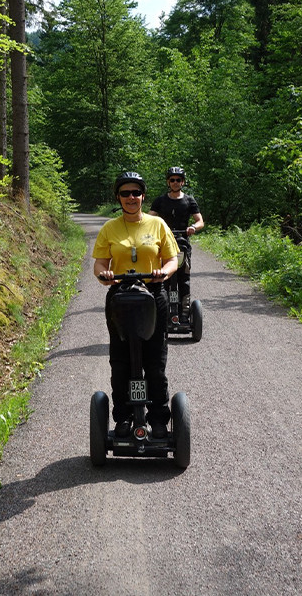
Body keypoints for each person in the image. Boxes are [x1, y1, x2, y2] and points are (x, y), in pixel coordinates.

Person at [92, 171, 179, 439]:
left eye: (136, 193)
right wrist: (104, 275)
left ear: (143, 196)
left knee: (154, 361)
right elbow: (99, 263)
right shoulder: (110, 228)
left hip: (153, 294)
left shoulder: (157, 225)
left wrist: (164, 272)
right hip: (121, 297)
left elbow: (173, 259)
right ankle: (123, 417)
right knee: (120, 362)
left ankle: (159, 418)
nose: (131, 198)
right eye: (125, 193)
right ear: (118, 197)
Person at [149, 167, 204, 320]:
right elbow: (149, 219)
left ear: (183, 182)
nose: (175, 182)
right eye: (172, 180)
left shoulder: (189, 200)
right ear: (168, 182)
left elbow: (200, 221)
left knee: (183, 278)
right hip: (163, 245)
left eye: (178, 180)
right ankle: (163, 311)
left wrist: (193, 227)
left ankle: (185, 313)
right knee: (163, 278)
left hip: (182, 244)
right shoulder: (160, 201)